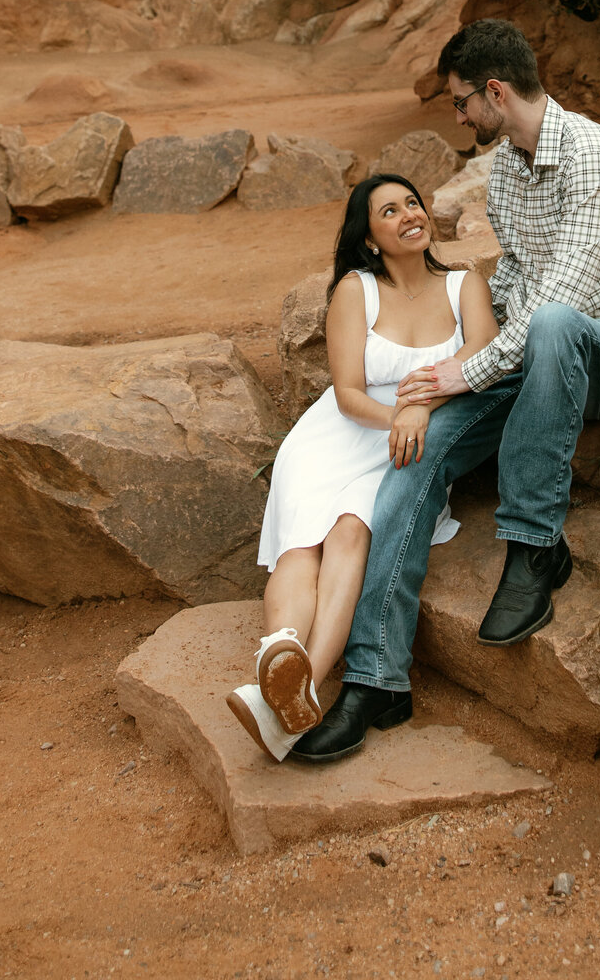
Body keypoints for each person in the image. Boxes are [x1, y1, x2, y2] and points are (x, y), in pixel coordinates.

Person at [290, 18, 600, 764]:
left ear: (496, 91)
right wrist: (435, 386)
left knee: (556, 321)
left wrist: (471, 368)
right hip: (532, 360)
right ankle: (375, 679)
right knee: (415, 453)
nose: (459, 118)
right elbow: (518, 284)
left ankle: (534, 546)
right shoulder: (511, 172)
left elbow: (562, 295)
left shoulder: (592, 154)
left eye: (463, 103)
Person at [225, 171, 499, 761]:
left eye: (413, 204)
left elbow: (486, 357)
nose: (409, 215)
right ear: (370, 237)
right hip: (341, 435)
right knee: (303, 548)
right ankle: (282, 653)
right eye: (390, 211)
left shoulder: (463, 285)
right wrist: (401, 412)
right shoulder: (357, 289)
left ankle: (296, 686)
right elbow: (348, 394)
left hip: (407, 446)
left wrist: (423, 407)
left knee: (351, 534)